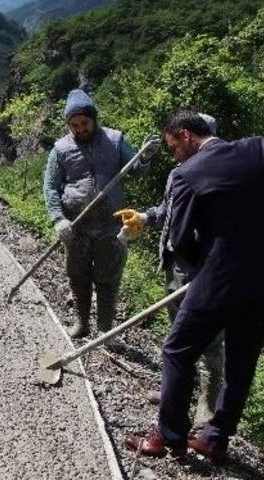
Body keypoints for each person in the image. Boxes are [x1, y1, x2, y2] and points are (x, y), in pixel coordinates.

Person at [124, 110, 264, 463]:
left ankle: (169, 437)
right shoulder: (256, 150)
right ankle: (216, 439)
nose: (175, 155)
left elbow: (180, 240)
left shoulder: (188, 174)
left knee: (177, 351)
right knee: (241, 359)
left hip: (218, 280)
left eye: (174, 147)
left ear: (185, 135)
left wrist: (203, 262)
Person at [114, 113, 222, 427]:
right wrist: (145, 217)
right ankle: (175, 391)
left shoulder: (219, 175)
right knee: (177, 332)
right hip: (176, 266)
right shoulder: (177, 173)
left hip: (206, 269)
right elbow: (169, 210)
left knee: (211, 339)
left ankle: (208, 404)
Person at [43, 89, 159, 338]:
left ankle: (105, 330)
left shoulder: (115, 141)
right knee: (78, 276)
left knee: (108, 279)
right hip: (76, 226)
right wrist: (58, 218)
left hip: (111, 226)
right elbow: (50, 186)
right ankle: (82, 323)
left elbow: (136, 169)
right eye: (74, 125)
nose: (80, 129)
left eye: (84, 123)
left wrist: (145, 156)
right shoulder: (61, 149)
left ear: (94, 119)